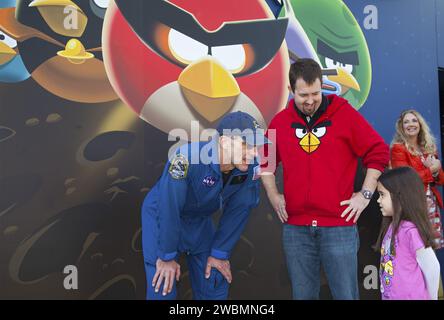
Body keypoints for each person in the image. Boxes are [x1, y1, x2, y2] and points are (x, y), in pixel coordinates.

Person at [260, 58, 389, 299]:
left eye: (316, 93)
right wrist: (273, 194)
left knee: (345, 295)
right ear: (290, 91)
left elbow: (378, 151)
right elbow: (265, 161)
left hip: (338, 227)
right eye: (303, 95)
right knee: (303, 295)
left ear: (323, 86)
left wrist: (365, 194)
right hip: (296, 229)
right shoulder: (279, 122)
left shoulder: (343, 113)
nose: (310, 100)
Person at [141, 111, 268, 300]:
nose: (252, 152)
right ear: (224, 142)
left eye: (255, 146)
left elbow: (239, 210)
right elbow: (170, 206)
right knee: (163, 287)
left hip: (199, 221)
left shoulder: (250, 168)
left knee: (215, 280)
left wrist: (219, 253)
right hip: (163, 216)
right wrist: (167, 256)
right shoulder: (187, 158)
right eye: (246, 145)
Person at [375, 166, 440, 300]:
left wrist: (432, 297)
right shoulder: (392, 227)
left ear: (400, 196)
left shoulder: (411, 232)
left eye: (382, 195)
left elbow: (432, 267)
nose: (378, 200)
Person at [390, 109, 444, 249]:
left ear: (420, 124)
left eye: (414, 120)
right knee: (417, 247)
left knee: (431, 248)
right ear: (401, 127)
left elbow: (441, 180)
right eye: (406, 122)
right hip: (412, 205)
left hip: (430, 203)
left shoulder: (428, 148)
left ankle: (431, 272)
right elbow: (405, 180)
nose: (411, 124)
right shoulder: (398, 149)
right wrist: (431, 169)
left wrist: (437, 171)